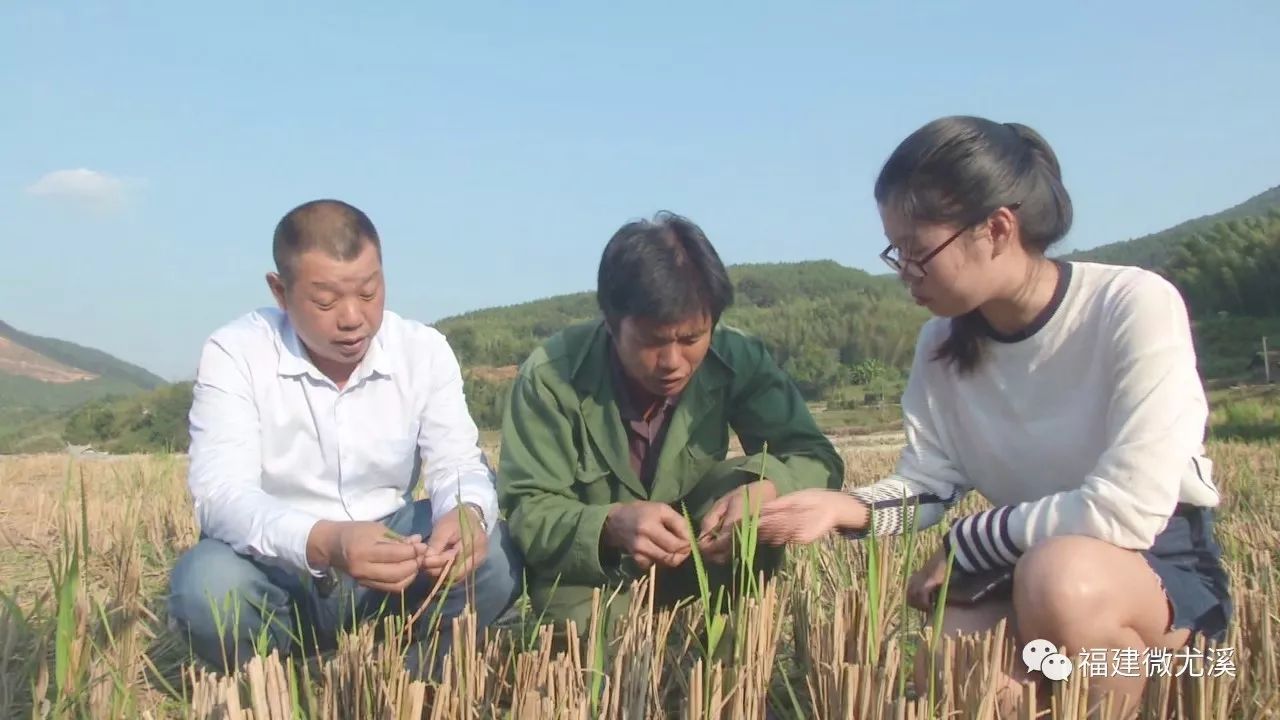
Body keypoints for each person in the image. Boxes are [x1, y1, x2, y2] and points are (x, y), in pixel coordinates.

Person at [755, 116, 1232, 715]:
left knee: (1060, 580)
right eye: (895, 252)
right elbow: (929, 482)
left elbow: (1126, 511)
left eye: (917, 251)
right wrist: (839, 508)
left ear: (997, 228)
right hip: (1026, 566)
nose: (905, 272)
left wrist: (964, 542)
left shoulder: (1131, 304)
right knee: (952, 662)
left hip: (1157, 584)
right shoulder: (940, 345)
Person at [167, 199, 521, 678]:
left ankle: (408, 677)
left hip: (392, 555)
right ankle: (285, 679)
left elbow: (457, 460)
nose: (354, 318)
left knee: (494, 556)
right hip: (280, 569)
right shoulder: (236, 353)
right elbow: (221, 496)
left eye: (369, 292)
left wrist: (466, 512)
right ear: (280, 291)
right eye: (326, 302)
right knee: (207, 586)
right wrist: (327, 541)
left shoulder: (423, 350)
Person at [496, 211, 845, 632]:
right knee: (590, 671)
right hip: (594, 571)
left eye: (692, 339)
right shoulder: (551, 376)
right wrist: (609, 525)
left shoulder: (738, 358)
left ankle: (726, 646)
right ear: (610, 323)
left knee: (753, 487)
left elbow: (815, 457)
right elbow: (528, 511)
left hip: (703, 557)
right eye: (652, 342)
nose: (673, 363)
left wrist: (769, 490)